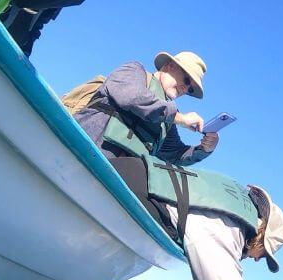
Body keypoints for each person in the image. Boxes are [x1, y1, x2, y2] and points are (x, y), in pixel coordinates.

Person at [73, 51, 218, 229]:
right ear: (169, 66)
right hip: (79, 154)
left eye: (190, 90)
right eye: (187, 81)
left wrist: (204, 149)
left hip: (110, 183)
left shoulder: (168, 122)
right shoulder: (135, 70)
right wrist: (179, 118)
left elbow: (176, 154)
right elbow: (131, 97)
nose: (185, 89)